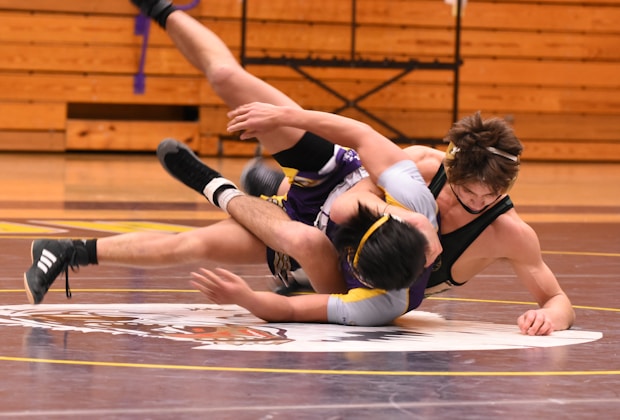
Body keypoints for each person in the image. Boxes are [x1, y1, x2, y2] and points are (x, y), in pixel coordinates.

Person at [23, 0, 440, 326]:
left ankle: (68, 250)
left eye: (355, 268)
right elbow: (366, 137)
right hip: (332, 177)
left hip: (304, 240)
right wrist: (286, 117)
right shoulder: (414, 210)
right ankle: (161, 9)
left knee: (200, 245)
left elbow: (296, 311)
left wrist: (246, 298)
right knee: (226, 79)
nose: (351, 264)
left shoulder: (377, 304)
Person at [210, 103, 576, 336]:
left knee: (323, 292)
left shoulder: (509, 232)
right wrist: (407, 218)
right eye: (466, 192)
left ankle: (270, 190)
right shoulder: (423, 166)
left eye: (489, 197)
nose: (476, 203)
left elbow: (558, 299)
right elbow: (351, 193)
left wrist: (550, 318)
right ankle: (274, 187)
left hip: (370, 278)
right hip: (345, 219)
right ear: (450, 170)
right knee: (310, 222)